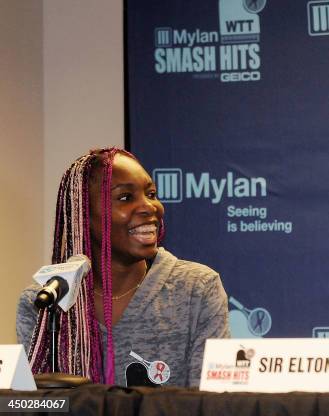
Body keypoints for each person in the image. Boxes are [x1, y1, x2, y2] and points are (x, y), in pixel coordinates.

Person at [17, 148, 230, 387]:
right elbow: (29, 405)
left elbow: (209, 406)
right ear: (83, 214)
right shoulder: (45, 302)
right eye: (126, 198)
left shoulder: (197, 289)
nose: (150, 207)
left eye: (151, 193)